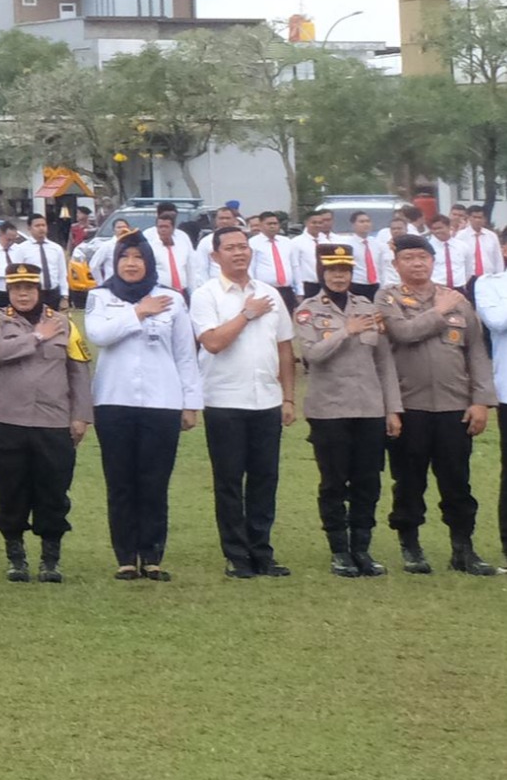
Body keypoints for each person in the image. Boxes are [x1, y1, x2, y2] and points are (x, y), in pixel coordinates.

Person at [377, 230, 497, 574]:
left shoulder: (456, 299)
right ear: (397, 264)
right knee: (410, 480)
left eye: (423, 258)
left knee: (457, 480)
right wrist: (439, 312)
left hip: (454, 406)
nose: (417, 264)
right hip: (410, 407)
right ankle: (410, 545)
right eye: (409, 258)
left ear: (433, 261)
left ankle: (463, 548)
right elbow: (403, 333)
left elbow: (476, 352)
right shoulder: (388, 298)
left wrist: (480, 401)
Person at [80, 231, 197, 580]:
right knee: (120, 480)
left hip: (162, 401)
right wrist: (139, 312)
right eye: (124, 258)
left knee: (154, 481)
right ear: (115, 263)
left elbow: (185, 354)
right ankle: (126, 557)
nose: (131, 264)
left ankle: (153, 554)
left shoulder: (172, 298)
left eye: (138, 258)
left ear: (148, 262)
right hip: (113, 401)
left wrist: (190, 403)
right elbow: (99, 336)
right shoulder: (100, 297)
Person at [293, 243, 403, 575]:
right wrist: (346, 331)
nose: (339, 277)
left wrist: (393, 409)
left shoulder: (367, 307)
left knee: (368, 480)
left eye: (345, 271)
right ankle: (339, 550)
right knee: (334, 481)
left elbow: (385, 364)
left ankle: (362, 549)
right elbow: (312, 355)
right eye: (332, 271)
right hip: (329, 410)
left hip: (369, 407)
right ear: (322, 273)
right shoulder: (308, 310)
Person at [190, 222, 292, 578]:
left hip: (266, 398)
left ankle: (261, 551)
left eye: (243, 246)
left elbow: (284, 346)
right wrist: (247, 314)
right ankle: (236, 555)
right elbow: (213, 342)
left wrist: (289, 397)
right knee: (230, 481)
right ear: (216, 255)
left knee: (265, 479)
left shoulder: (270, 293)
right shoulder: (206, 295)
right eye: (230, 247)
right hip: (224, 400)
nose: (238, 252)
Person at [0, 257, 90, 581]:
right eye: (16, 288)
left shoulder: (63, 323)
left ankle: (50, 558)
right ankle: (15, 555)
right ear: (8, 290)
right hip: (6, 420)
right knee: (10, 489)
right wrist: (37, 337)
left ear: (39, 289)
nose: (23, 294)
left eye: (29, 288)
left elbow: (78, 371)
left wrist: (81, 415)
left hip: (52, 422)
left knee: (53, 491)